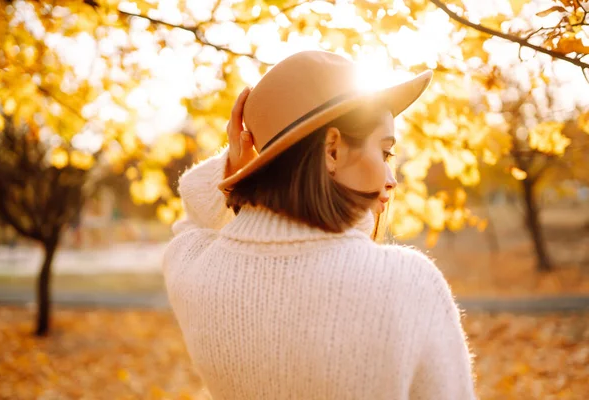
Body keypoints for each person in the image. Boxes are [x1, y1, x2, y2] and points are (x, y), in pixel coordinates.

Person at [163, 51, 476, 400]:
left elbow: (194, 219)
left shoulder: (193, 270)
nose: (392, 179)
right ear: (331, 150)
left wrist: (236, 169)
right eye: (385, 153)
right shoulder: (406, 283)